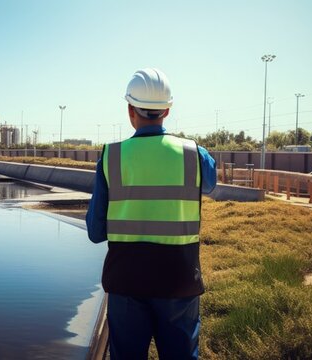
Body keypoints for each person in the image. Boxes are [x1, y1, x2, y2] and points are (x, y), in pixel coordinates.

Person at [85, 68, 217, 359]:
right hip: (180, 279)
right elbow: (211, 184)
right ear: (167, 111)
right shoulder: (194, 154)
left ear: (130, 109)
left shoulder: (111, 156)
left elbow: (95, 233)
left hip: (126, 280)